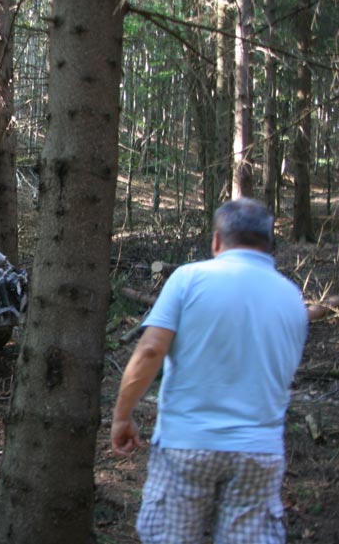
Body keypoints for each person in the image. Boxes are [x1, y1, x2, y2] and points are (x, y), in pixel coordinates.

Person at [111, 198, 308, 543]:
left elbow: (151, 350)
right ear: (269, 243)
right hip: (259, 450)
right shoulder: (292, 296)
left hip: (187, 444)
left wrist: (122, 416)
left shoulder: (189, 279)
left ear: (217, 240)